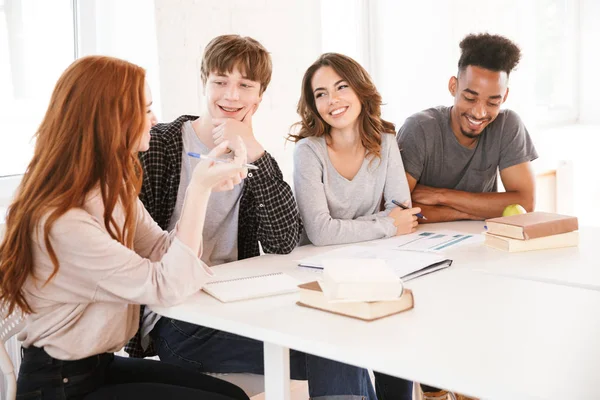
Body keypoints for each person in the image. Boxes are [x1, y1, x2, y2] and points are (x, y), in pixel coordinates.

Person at [125, 35, 376, 400]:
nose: (231, 95)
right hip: (178, 320)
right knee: (335, 348)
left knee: (342, 339)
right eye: (220, 82)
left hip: (238, 305)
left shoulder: (258, 160)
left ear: (259, 97)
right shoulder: (160, 145)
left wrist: (253, 149)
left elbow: (283, 240)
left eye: (245, 85)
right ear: (204, 83)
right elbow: (141, 249)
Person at [0, 55, 251, 400]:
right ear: (109, 120)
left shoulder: (107, 189)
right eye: (145, 109)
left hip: (96, 366)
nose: (154, 119)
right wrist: (198, 190)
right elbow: (166, 286)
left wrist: (202, 193)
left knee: (233, 396)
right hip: (59, 385)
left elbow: (164, 250)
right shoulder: (62, 220)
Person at [288, 52, 420, 400]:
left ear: (360, 90)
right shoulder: (308, 152)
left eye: (341, 87)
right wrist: (384, 225)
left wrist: (379, 225)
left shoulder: (386, 142)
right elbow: (320, 232)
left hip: (373, 265)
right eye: (321, 94)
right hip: (322, 274)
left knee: (396, 332)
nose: (333, 100)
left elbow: (403, 213)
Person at [397, 33, 538, 225]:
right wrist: (474, 212)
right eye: (470, 98)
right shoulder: (420, 129)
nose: (479, 113)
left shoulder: (507, 125)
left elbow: (524, 205)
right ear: (453, 86)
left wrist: (441, 196)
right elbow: (399, 208)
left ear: (504, 97)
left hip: (481, 244)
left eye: (493, 102)